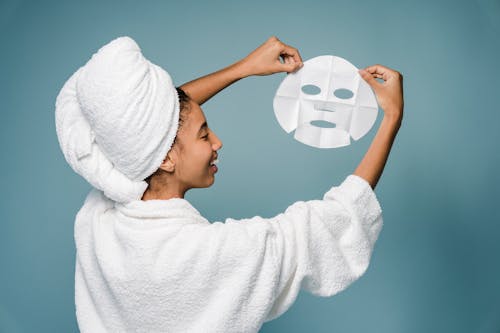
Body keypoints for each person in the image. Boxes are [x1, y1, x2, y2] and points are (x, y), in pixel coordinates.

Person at [55, 36, 403, 332]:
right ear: (165, 158)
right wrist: (390, 119)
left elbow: (142, 131)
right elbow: (328, 224)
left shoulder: (103, 212)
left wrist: (244, 67)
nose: (217, 142)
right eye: (204, 133)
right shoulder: (205, 254)